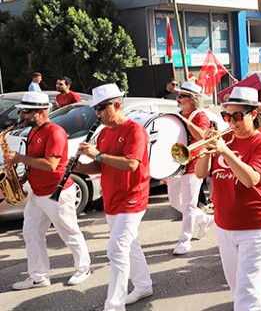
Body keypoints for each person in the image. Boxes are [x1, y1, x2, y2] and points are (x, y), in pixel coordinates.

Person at [195, 86, 261, 310]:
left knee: (248, 294)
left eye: (238, 116)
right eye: (227, 116)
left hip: (256, 226)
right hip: (225, 224)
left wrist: (225, 152)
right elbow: (201, 173)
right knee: (236, 289)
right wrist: (207, 148)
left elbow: (251, 179)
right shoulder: (226, 140)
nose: (231, 121)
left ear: (253, 114)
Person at [75, 83, 153, 310]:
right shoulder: (103, 134)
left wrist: (97, 154)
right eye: (95, 109)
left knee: (117, 249)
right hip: (112, 198)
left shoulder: (134, 130)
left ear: (117, 105)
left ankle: (114, 304)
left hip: (133, 197)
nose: (97, 113)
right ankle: (143, 285)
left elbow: (131, 164)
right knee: (131, 245)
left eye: (101, 108)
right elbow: (102, 167)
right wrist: (79, 167)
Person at [7, 92, 91, 291]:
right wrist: (22, 178)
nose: (22, 116)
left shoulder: (55, 132)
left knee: (69, 232)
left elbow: (51, 164)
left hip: (57, 192)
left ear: (41, 111)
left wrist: (19, 158)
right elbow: (35, 163)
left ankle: (83, 268)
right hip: (37, 193)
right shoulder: (33, 131)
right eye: (21, 111)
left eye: (26, 112)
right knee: (31, 234)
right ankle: (38, 276)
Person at [168, 82, 214, 255]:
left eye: (181, 96)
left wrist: (185, 121)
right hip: (177, 164)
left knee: (188, 205)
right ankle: (204, 219)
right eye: (178, 95)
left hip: (194, 164)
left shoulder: (200, 115)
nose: (178, 98)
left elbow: (202, 135)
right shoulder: (179, 114)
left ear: (193, 99)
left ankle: (184, 240)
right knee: (174, 201)